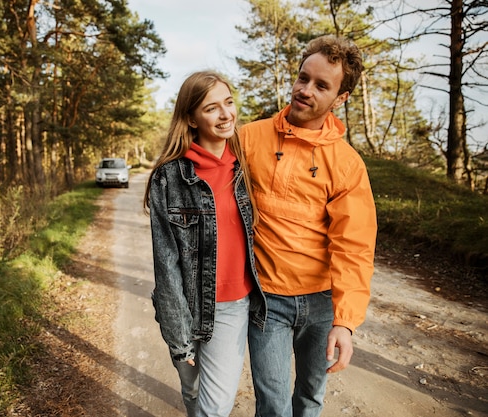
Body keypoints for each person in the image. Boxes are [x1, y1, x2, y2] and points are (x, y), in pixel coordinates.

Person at [240, 35, 378, 417]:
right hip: (266, 300)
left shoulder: (347, 164)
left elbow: (354, 247)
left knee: (310, 400)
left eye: (321, 85)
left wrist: (345, 322)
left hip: (322, 304)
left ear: (341, 98)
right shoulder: (249, 138)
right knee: (273, 405)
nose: (305, 90)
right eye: (303, 78)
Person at [143, 70, 266, 417]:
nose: (226, 114)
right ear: (191, 118)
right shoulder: (168, 177)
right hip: (182, 306)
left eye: (229, 103)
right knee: (192, 390)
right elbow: (165, 264)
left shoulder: (245, 168)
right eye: (212, 108)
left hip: (231, 306)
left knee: (214, 408)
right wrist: (180, 338)